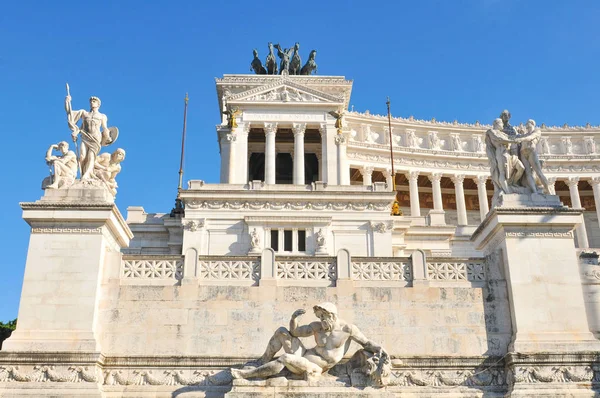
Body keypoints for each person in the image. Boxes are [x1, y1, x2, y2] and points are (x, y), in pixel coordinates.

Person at [230, 303, 388, 380]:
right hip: (304, 354)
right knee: (281, 332)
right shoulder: (316, 327)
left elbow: (366, 343)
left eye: (323, 317)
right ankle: (263, 360)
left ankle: (247, 375)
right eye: (319, 317)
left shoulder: (348, 330)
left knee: (286, 358)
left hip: (316, 367)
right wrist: (293, 319)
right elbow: (294, 332)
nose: (321, 320)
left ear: (332, 316)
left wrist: (380, 349)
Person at [65, 95, 114, 181]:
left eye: (94, 101)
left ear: (98, 104)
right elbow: (70, 114)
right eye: (91, 101)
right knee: (82, 156)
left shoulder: (102, 116)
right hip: (85, 136)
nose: (92, 103)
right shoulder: (84, 113)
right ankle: (84, 173)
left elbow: (105, 128)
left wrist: (108, 137)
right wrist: (67, 102)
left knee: (91, 157)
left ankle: (86, 175)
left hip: (96, 138)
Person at [519, 120, 551, 194]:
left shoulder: (537, 131)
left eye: (527, 123)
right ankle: (534, 191)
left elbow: (531, 137)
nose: (526, 124)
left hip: (531, 151)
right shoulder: (525, 134)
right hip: (523, 153)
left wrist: (521, 138)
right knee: (527, 172)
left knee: (539, 172)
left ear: (532, 124)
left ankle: (548, 189)